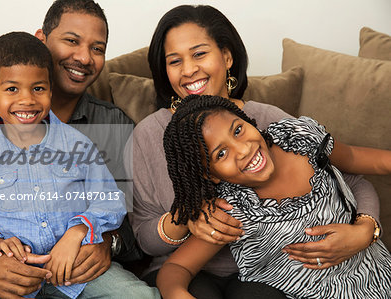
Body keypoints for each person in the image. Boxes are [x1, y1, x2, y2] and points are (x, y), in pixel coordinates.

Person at [126, 4, 382, 298]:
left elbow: (349, 180)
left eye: (199, 54)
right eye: (174, 61)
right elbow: (144, 241)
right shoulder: (148, 134)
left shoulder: (269, 121)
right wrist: (185, 217)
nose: (188, 70)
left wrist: (366, 229)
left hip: (267, 272)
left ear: (226, 56)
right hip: (182, 268)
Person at [0, 0, 159, 298]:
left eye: (97, 48)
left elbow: (130, 211)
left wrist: (103, 239)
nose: (84, 57)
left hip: (77, 272)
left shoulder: (107, 127)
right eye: (71, 40)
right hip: (4, 269)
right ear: (41, 41)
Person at [157, 94, 391, 299]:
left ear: (248, 121)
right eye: (222, 153)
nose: (244, 149)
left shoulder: (301, 138)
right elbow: (175, 268)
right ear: (212, 176)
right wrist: (178, 294)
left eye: (238, 130)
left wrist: (366, 229)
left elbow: (351, 156)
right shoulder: (233, 210)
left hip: (381, 274)